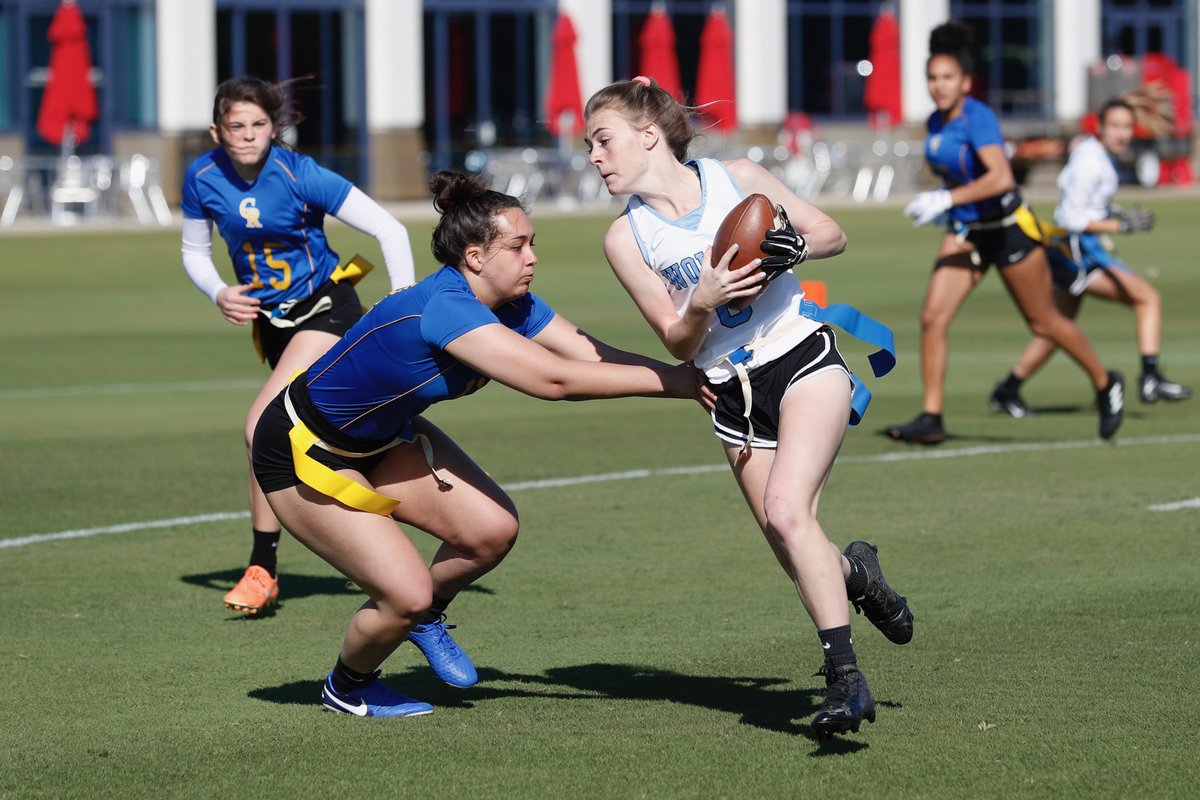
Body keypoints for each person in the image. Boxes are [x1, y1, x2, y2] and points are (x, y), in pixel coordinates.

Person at [251, 170, 707, 716]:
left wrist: (693, 371)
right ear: (474, 257)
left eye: (532, 243)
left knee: (492, 532)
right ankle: (347, 684)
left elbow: (589, 354)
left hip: (383, 437)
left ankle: (422, 618)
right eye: (517, 246)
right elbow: (551, 381)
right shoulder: (446, 306)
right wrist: (678, 385)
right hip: (303, 450)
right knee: (407, 592)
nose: (532, 256)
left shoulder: (512, 302)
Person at [583, 76, 910, 740]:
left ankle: (846, 681)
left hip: (799, 354)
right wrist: (700, 298)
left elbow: (831, 234)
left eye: (602, 139)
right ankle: (858, 574)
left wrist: (795, 244)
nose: (593, 156)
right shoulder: (627, 239)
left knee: (791, 513)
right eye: (590, 145)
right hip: (730, 391)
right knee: (792, 545)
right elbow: (675, 339)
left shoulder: (736, 177)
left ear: (648, 135)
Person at [180, 76, 417, 616]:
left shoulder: (299, 172)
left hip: (326, 310)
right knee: (316, 433)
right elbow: (194, 252)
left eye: (258, 124)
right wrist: (218, 290)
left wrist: (401, 307)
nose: (247, 135)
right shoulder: (201, 176)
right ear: (216, 131)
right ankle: (395, 470)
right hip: (276, 325)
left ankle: (262, 568)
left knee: (258, 425)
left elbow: (391, 230)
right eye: (235, 126)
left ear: (273, 127)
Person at [886, 21, 1125, 444]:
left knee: (1044, 322)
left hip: (1009, 230)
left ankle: (1106, 382)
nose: (938, 86)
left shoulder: (978, 118)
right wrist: (948, 203)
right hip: (968, 231)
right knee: (931, 317)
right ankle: (932, 416)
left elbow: (1000, 178)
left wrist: (946, 201)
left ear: (964, 81)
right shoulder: (935, 122)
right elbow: (957, 175)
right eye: (932, 78)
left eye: (947, 78)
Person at [988, 98, 1190, 416]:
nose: (1122, 134)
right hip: (1076, 252)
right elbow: (1070, 218)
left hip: (1080, 249)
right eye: (1115, 126)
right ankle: (1150, 378)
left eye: (1127, 127)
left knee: (1058, 328)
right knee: (1147, 298)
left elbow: (1086, 206)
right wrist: (1120, 224)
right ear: (1100, 128)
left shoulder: (1097, 156)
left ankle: (1007, 389)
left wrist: (1113, 213)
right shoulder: (1090, 161)